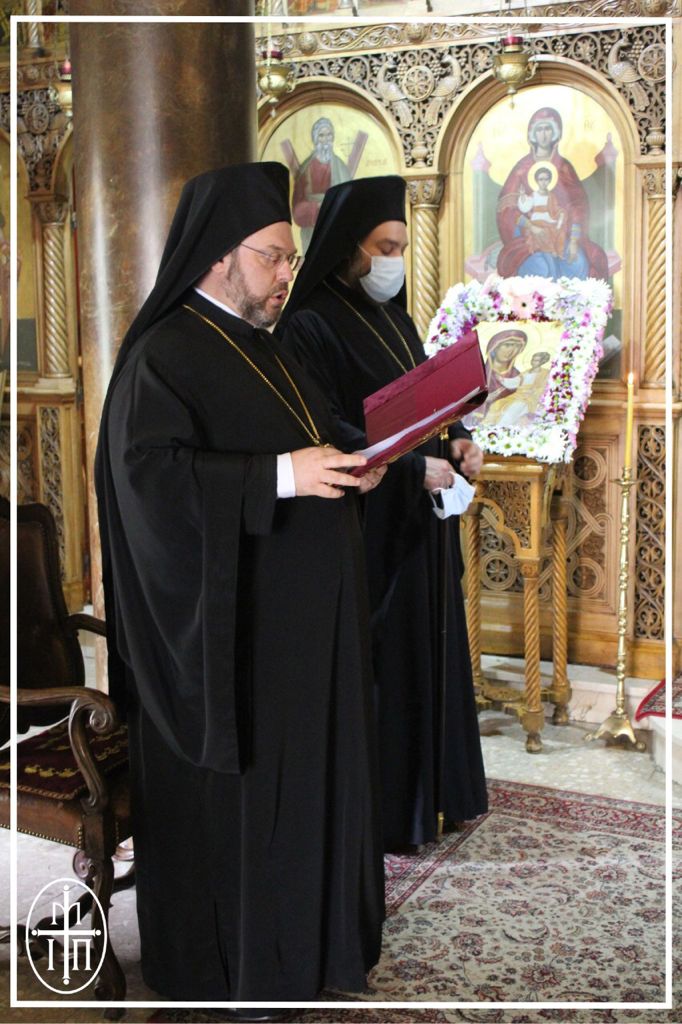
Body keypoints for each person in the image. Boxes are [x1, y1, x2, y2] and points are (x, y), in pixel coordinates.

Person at [95, 163, 387, 1018]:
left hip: (300, 636)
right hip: (235, 645)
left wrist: (351, 460)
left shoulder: (264, 342)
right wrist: (281, 477)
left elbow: (306, 434)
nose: (287, 274)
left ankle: (311, 945)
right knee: (251, 807)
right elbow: (151, 482)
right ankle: (239, 968)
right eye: (273, 258)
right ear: (220, 256)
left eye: (290, 258)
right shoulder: (162, 354)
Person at [278, 175, 488, 852]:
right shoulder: (309, 323)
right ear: (349, 247)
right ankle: (395, 813)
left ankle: (438, 796)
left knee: (431, 653)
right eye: (385, 247)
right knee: (389, 667)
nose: (394, 260)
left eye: (400, 246)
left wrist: (456, 440)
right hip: (370, 527)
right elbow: (324, 426)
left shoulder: (394, 317)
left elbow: (426, 404)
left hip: (418, 519)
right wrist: (408, 470)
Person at [496, 106, 608, 281]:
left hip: (560, 236)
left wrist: (573, 240)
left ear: (556, 133)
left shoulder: (564, 168)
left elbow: (577, 206)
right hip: (529, 237)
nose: (543, 134)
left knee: (579, 264)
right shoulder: (522, 168)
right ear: (532, 134)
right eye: (539, 129)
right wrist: (531, 226)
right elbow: (507, 208)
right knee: (541, 269)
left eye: (548, 129)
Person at [292, 117, 351, 251]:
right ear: (315, 139)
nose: (325, 140)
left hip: (335, 228)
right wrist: (317, 207)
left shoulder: (341, 168)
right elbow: (296, 209)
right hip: (311, 232)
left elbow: (350, 202)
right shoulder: (305, 170)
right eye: (321, 135)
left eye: (329, 135)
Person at [462, 327, 528, 429]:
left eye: (517, 347)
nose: (511, 351)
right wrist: (484, 400)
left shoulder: (518, 378)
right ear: (494, 347)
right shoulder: (478, 375)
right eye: (507, 345)